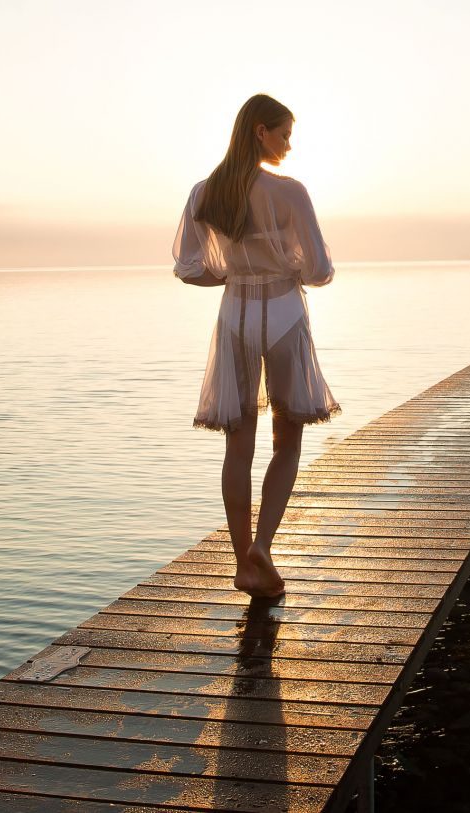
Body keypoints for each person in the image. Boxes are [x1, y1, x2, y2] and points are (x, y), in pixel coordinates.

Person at [173, 93, 340, 598]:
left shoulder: (206, 192)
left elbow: (188, 267)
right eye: (284, 134)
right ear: (258, 131)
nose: (289, 144)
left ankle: (241, 561)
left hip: (235, 316)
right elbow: (321, 270)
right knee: (287, 441)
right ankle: (262, 547)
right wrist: (284, 264)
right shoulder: (290, 193)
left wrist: (233, 273)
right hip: (284, 315)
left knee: (237, 445)